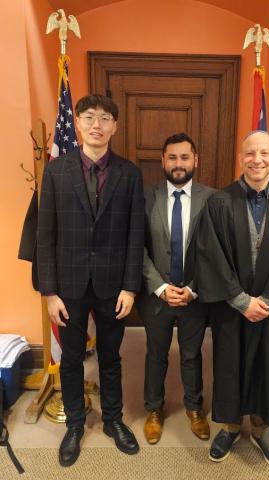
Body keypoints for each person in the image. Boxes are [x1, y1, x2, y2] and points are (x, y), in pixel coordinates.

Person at [196, 130, 269, 471]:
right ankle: (231, 427)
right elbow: (211, 256)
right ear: (241, 158)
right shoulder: (219, 203)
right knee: (229, 363)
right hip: (233, 307)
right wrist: (239, 299)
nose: (257, 160)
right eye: (250, 153)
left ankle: (265, 430)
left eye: (265, 153)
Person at [37, 94, 144, 467]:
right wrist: (49, 292)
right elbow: (45, 236)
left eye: (104, 118)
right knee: (70, 359)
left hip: (114, 286)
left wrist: (131, 286)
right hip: (68, 286)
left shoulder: (130, 174)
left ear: (115, 126)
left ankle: (113, 421)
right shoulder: (56, 171)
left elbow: (135, 235)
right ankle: (76, 425)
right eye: (88, 117)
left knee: (112, 357)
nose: (96, 124)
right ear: (77, 124)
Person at [136, 133, 215, 444]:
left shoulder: (213, 200)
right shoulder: (144, 198)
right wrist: (158, 286)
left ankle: (194, 408)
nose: (178, 164)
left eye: (185, 157)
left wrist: (194, 288)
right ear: (163, 161)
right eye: (172, 158)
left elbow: (216, 252)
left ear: (195, 160)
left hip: (195, 296)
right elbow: (137, 248)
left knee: (191, 354)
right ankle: (154, 409)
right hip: (157, 297)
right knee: (155, 353)